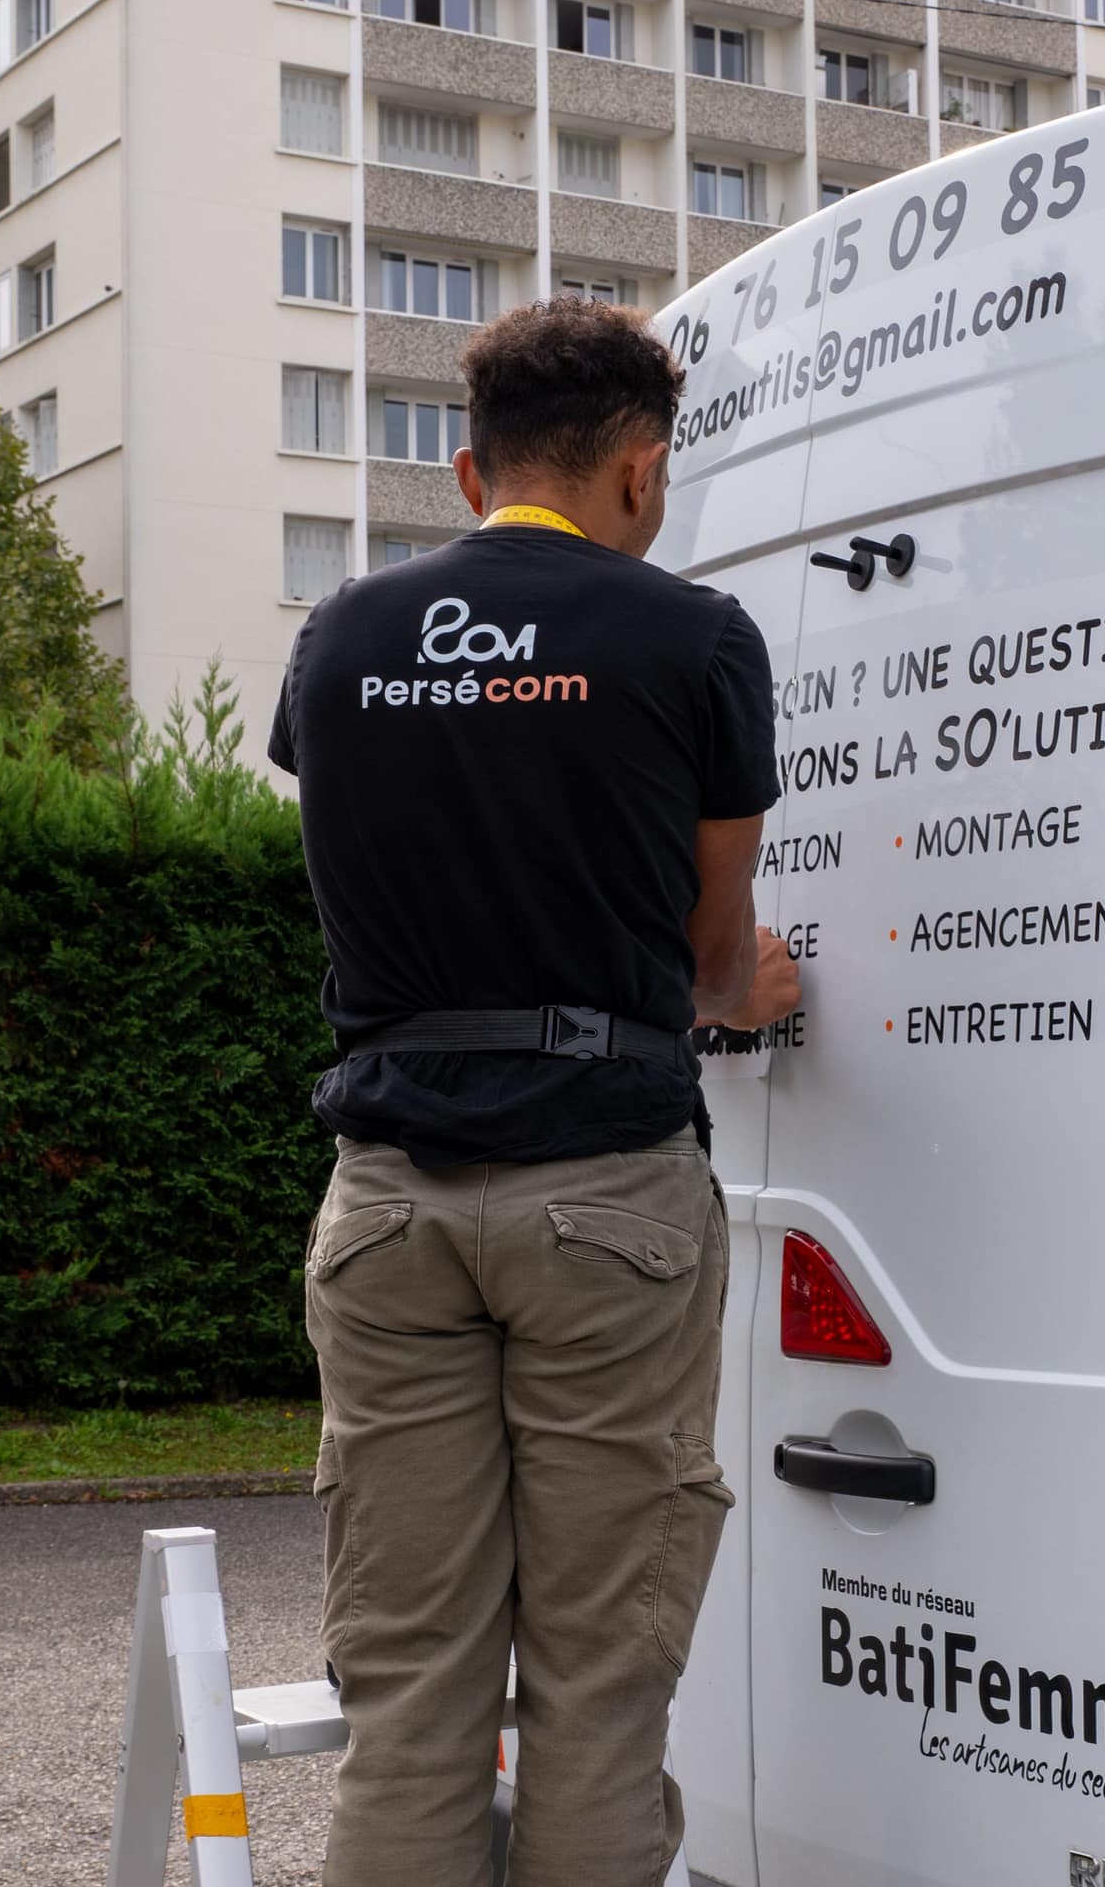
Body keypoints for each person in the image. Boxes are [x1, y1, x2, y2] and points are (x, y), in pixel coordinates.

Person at [266, 296, 800, 1886]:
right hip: (606, 1201)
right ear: (640, 472)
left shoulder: (342, 635)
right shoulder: (694, 641)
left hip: (385, 1208)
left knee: (410, 1693)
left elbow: (381, 875)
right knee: (595, 1689)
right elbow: (713, 961)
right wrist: (756, 987)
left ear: (465, 469)